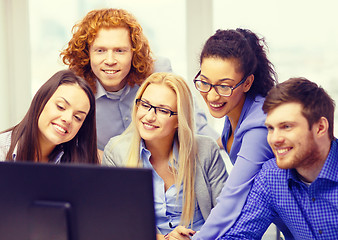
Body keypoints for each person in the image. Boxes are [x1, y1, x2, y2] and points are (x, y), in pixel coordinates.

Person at [60, 8, 218, 151]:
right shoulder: (75, 88)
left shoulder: (158, 73)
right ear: (87, 54)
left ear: (133, 53)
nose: (110, 60)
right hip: (108, 171)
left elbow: (192, 122)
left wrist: (225, 145)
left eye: (120, 50)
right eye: (100, 50)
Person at [102, 72, 228, 239]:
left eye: (163, 110)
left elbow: (227, 214)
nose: (149, 116)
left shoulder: (206, 150)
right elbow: (114, 221)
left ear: (179, 120)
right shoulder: (116, 151)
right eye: (145, 105)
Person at [221, 77, 338, 239]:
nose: (275, 139)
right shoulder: (271, 176)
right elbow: (240, 235)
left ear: (320, 128)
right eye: (270, 128)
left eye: (286, 126)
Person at [191, 28, 278, 240]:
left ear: (247, 82)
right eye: (204, 82)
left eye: (224, 86)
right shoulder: (235, 113)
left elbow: (233, 198)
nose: (211, 95)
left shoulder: (259, 126)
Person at [0, 70, 99, 164]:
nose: (68, 119)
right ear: (40, 102)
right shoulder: (2, 150)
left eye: (77, 117)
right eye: (61, 107)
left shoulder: (82, 163)